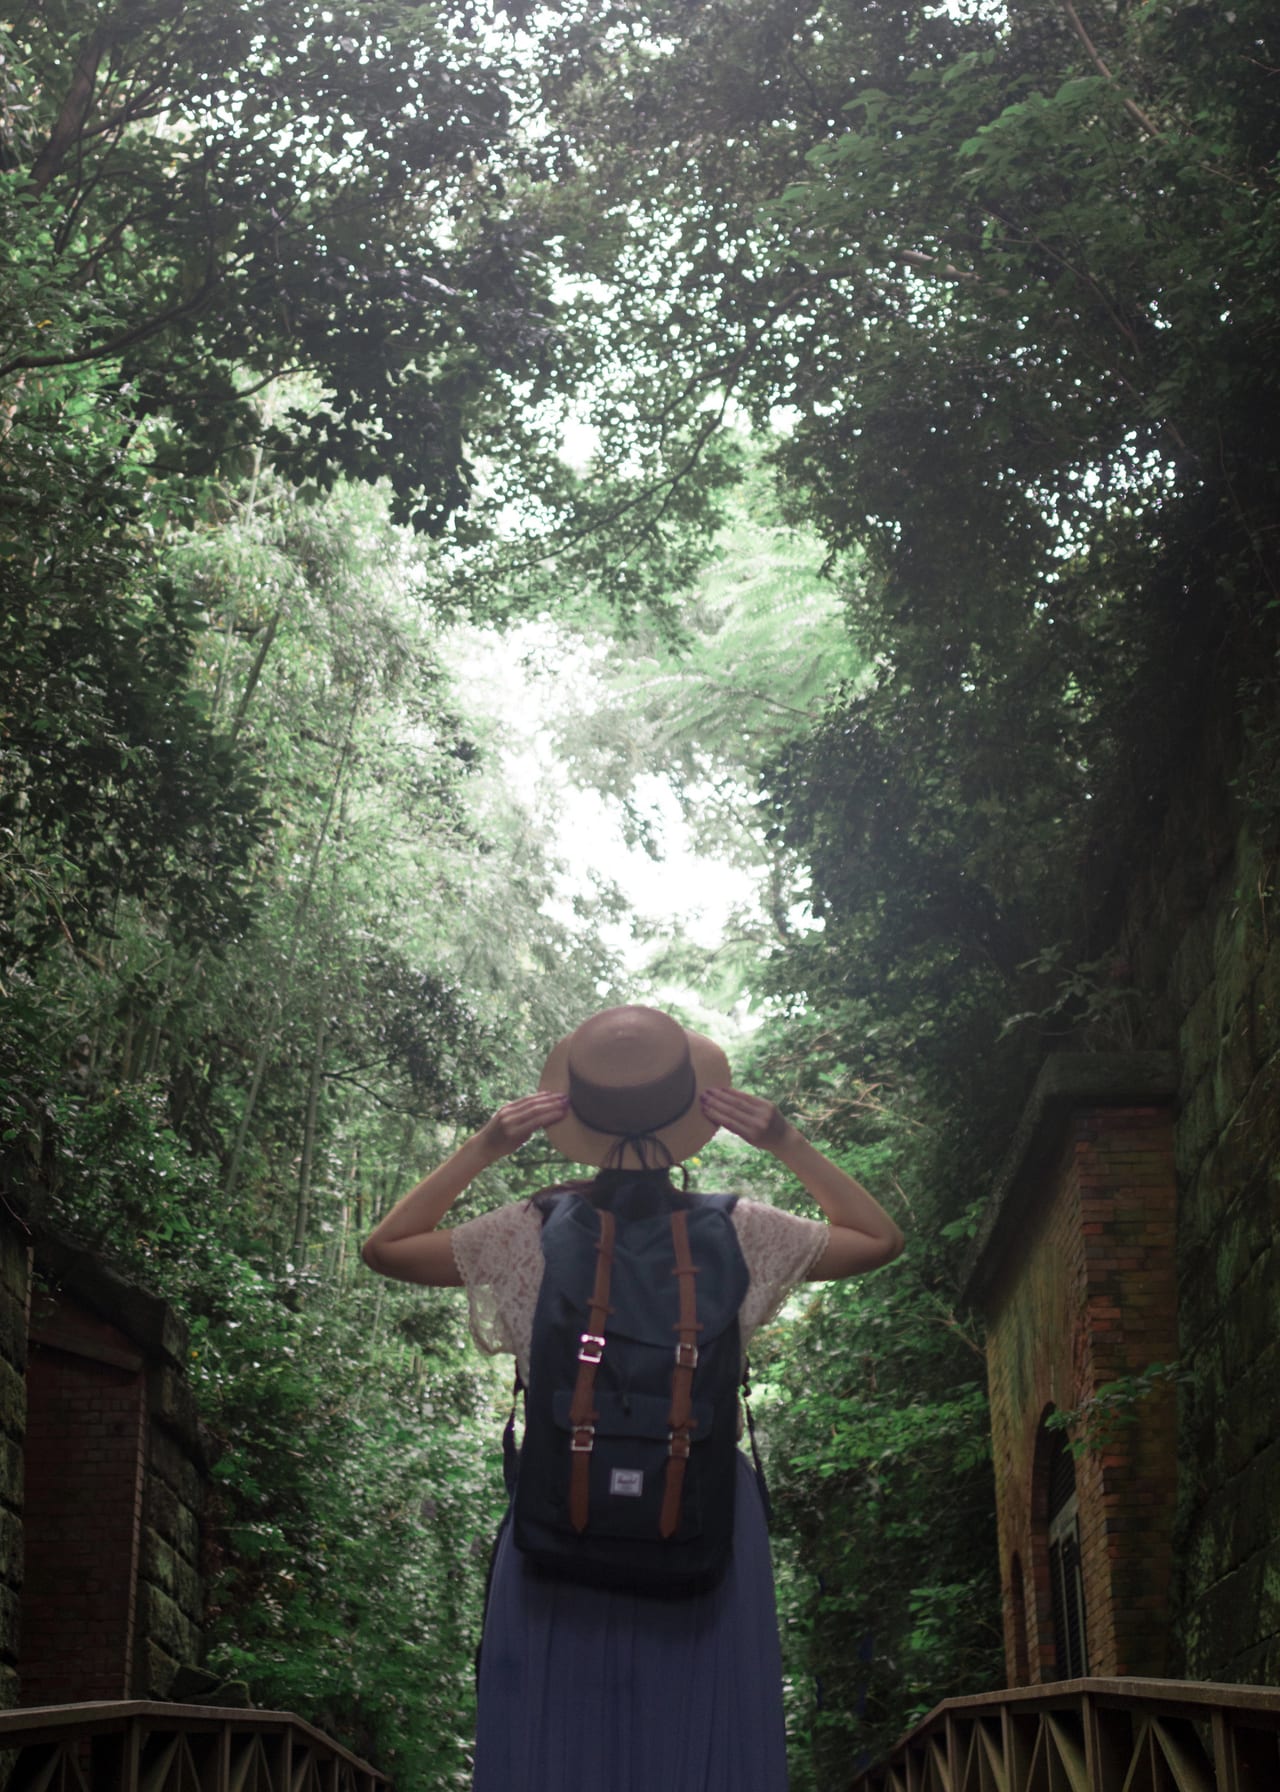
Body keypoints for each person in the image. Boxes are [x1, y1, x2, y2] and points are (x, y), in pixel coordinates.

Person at [362, 1005, 904, 1792]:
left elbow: (384, 1248)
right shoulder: (742, 1231)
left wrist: (486, 1145)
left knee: (559, 1740)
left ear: (572, 1113)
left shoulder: (527, 1232)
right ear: (693, 1110)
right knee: (701, 1737)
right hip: (704, 1512)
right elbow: (878, 1238)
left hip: (561, 1511)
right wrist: (784, 1140)